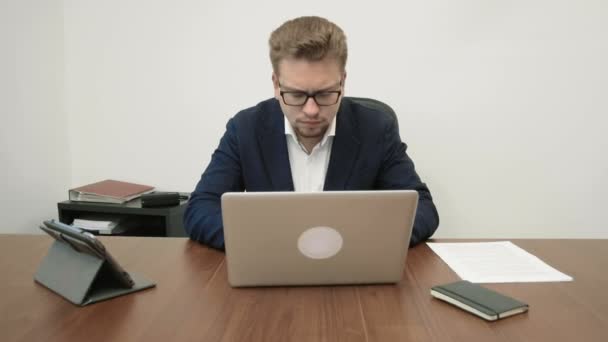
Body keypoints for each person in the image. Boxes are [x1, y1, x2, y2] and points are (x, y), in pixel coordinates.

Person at [184, 16, 439, 250]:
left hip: (353, 274)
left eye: (325, 93)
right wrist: (263, 243)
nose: (311, 109)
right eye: (296, 94)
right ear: (275, 84)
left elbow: (423, 209)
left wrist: (361, 240)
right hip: (271, 273)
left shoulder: (376, 129)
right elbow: (200, 208)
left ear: (343, 81)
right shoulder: (245, 129)